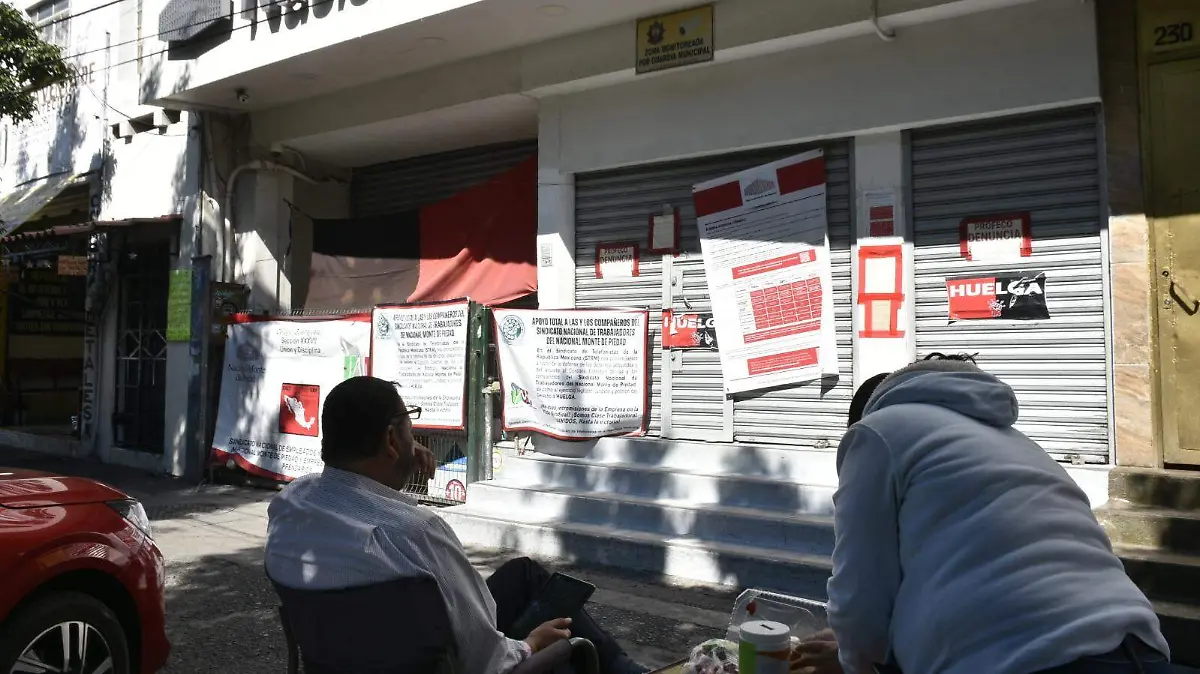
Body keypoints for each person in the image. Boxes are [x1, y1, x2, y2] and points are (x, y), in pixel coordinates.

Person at [794, 353, 1170, 674]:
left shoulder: (876, 432)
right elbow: (960, 569)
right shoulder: (1013, 442)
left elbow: (862, 590)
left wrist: (850, 659)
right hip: (1138, 647)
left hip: (1021, 656)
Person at [265, 375, 646, 674]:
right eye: (408, 424)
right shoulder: (415, 534)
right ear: (390, 439)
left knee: (523, 575)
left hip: (351, 655)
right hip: (447, 663)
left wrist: (402, 449)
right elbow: (485, 660)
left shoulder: (289, 506)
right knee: (561, 635)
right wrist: (530, 644)